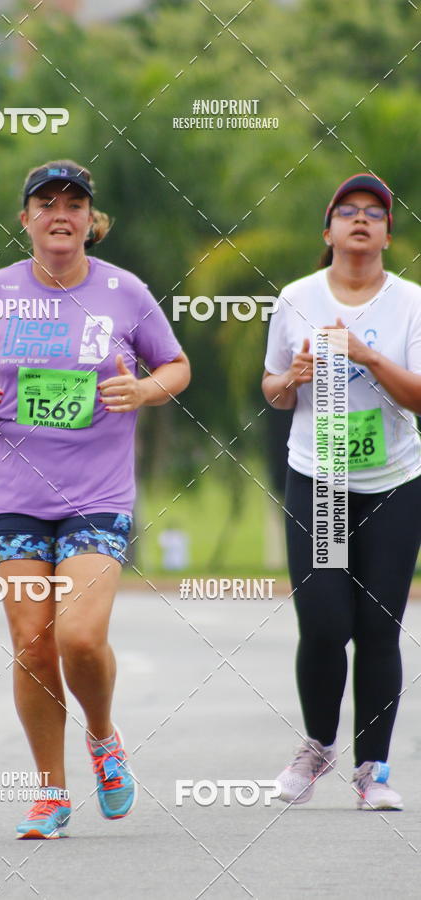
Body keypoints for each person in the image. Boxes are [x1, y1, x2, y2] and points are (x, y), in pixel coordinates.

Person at [0, 160, 190, 838]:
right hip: (11, 495)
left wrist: (142, 390)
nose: (60, 212)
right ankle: (50, 793)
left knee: (79, 637)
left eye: (73, 203)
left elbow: (176, 364)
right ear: (24, 218)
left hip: (96, 496)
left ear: (90, 220)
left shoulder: (125, 291)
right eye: (45, 202)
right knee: (32, 643)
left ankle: (104, 740)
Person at [262, 173, 421, 811]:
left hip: (392, 483)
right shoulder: (296, 297)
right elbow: (273, 393)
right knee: (325, 625)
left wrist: (367, 356)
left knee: (380, 628)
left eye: (374, 213)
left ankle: (373, 771)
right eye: (348, 212)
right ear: (327, 232)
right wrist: (293, 377)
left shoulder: (410, 302)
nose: (362, 220)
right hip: (319, 482)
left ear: (387, 233)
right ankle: (319, 745)